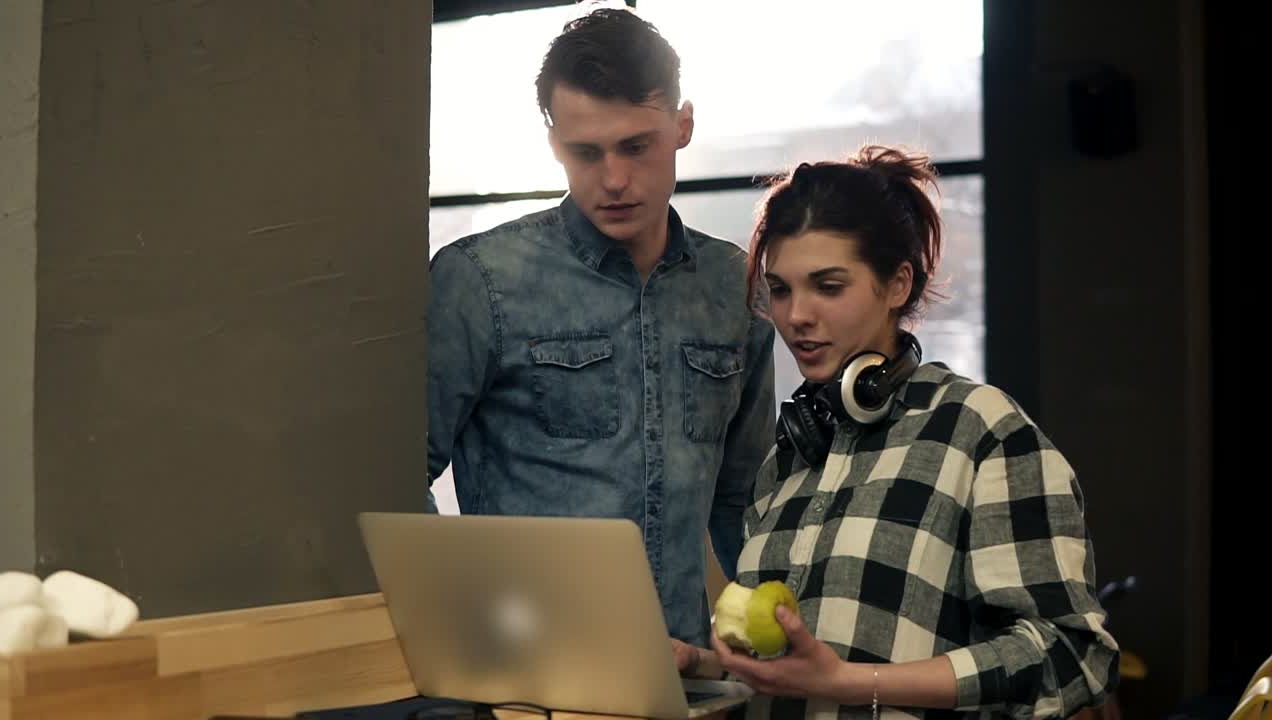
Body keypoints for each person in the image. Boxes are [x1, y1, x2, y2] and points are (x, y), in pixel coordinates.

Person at [673, 146, 1119, 719]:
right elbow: (793, 668)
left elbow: (1071, 657)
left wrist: (850, 682)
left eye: (828, 286)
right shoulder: (787, 458)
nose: (796, 315)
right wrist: (702, 664)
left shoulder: (980, 430)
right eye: (780, 290)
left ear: (898, 285)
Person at [425, 5, 776, 649]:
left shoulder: (737, 284)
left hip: (685, 675)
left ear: (683, 125)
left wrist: (763, 648)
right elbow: (396, 475)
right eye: (585, 152)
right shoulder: (479, 279)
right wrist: (455, 619)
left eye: (636, 146)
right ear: (553, 142)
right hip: (523, 674)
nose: (614, 180)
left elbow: (744, 500)